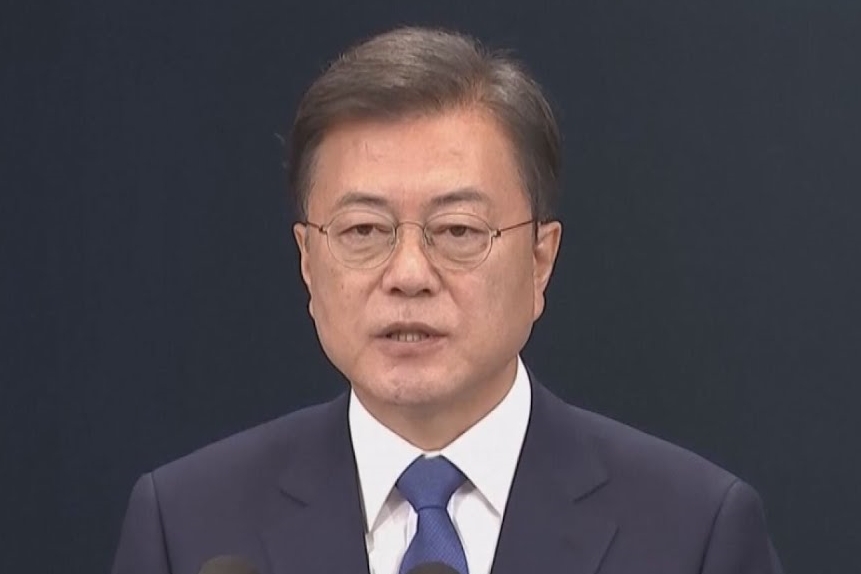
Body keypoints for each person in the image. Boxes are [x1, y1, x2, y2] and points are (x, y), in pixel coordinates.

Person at [112, 26, 783, 574]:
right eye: (363, 231)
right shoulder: (188, 525)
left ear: (540, 260)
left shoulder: (694, 532)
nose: (408, 274)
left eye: (457, 230)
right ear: (308, 262)